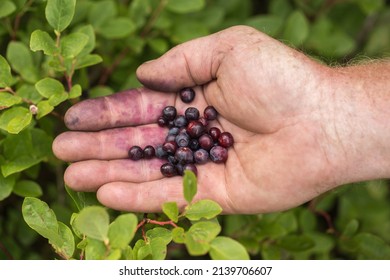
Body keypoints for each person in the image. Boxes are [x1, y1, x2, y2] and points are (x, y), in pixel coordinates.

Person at [52, 25, 390, 214]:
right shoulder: (192, 132)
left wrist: (329, 112)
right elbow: (186, 141)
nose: (194, 146)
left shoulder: (198, 134)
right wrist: (335, 114)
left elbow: (190, 141)